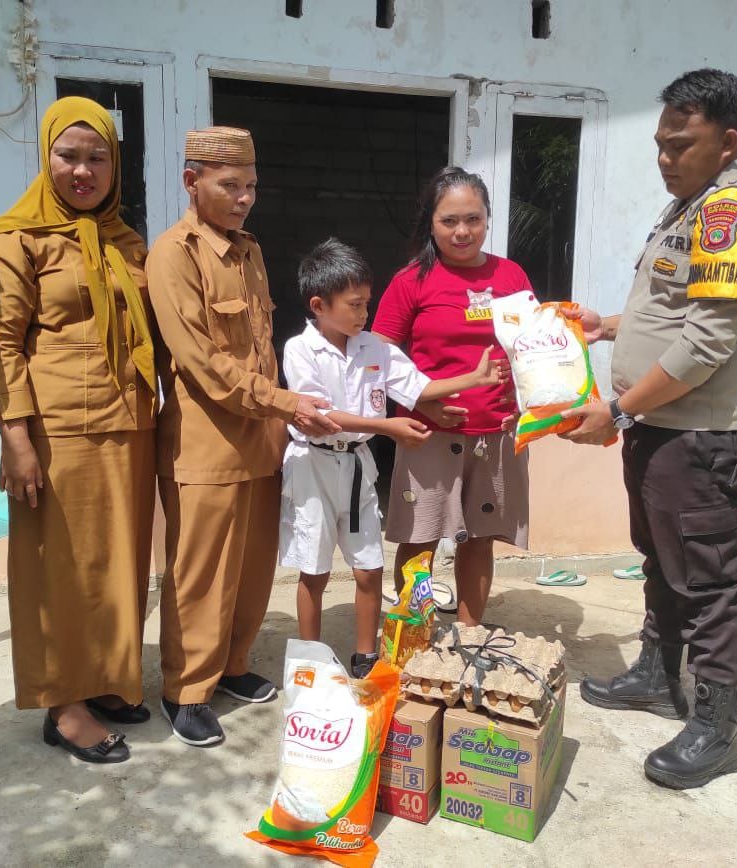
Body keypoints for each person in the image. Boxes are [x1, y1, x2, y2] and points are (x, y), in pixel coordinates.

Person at [561, 69, 737, 789]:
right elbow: (672, 311)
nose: (665, 158)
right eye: (659, 143)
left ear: (728, 142)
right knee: (662, 560)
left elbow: (705, 343)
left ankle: (717, 726)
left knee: (709, 582)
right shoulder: (689, 207)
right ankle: (659, 677)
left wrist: (620, 409)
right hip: (665, 431)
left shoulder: (731, 215)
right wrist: (604, 326)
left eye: (680, 145)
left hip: (700, 435)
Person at [0, 97, 158, 764]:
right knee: (61, 568)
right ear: (46, 157)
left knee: (117, 561)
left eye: (97, 157)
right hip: (57, 429)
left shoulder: (124, 240)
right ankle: (65, 705)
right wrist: (16, 438)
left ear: (115, 164)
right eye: (69, 156)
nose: (83, 170)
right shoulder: (14, 239)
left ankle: (106, 678)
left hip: (129, 422)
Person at [147, 126, 339, 747]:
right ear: (191, 182)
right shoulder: (174, 254)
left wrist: (280, 421)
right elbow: (201, 361)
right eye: (230, 185)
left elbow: (260, 347)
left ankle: (232, 666)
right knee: (200, 573)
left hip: (261, 440)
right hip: (205, 443)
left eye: (251, 186)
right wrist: (286, 403)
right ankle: (187, 690)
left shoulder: (248, 250)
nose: (244, 198)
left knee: (253, 570)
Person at [282, 238, 508, 677]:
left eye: (367, 303)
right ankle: (309, 659)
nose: (364, 313)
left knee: (369, 566)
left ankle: (366, 656)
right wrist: (388, 427)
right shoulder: (300, 350)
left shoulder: (375, 349)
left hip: (356, 466)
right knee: (315, 569)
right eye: (355, 304)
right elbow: (320, 415)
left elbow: (417, 387)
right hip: (312, 466)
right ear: (319, 304)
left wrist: (474, 377)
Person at [371, 167, 531, 627]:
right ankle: (413, 631)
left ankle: (469, 632)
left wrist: (528, 409)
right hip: (430, 433)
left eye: (473, 219)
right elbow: (379, 355)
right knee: (420, 537)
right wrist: (421, 402)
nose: (463, 231)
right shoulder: (411, 281)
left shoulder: (511, 274)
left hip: (497, 431)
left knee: (480, 537)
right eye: (449, 221)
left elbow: (532, 346)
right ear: (431, 224)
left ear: (486, 220)